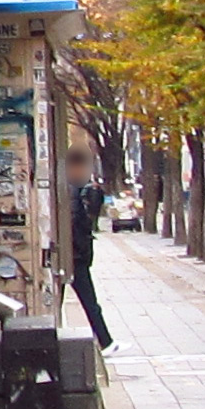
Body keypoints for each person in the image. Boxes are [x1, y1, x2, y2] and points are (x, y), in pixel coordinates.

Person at [64, 147, 116, 350]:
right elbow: (77, 221)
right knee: (89, 301)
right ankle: (106, 342)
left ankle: (106, 341)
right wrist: (80, 247)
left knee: (87, 301)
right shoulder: (73, 190)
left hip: (72, 253)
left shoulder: (74, 188)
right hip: (74, 255)